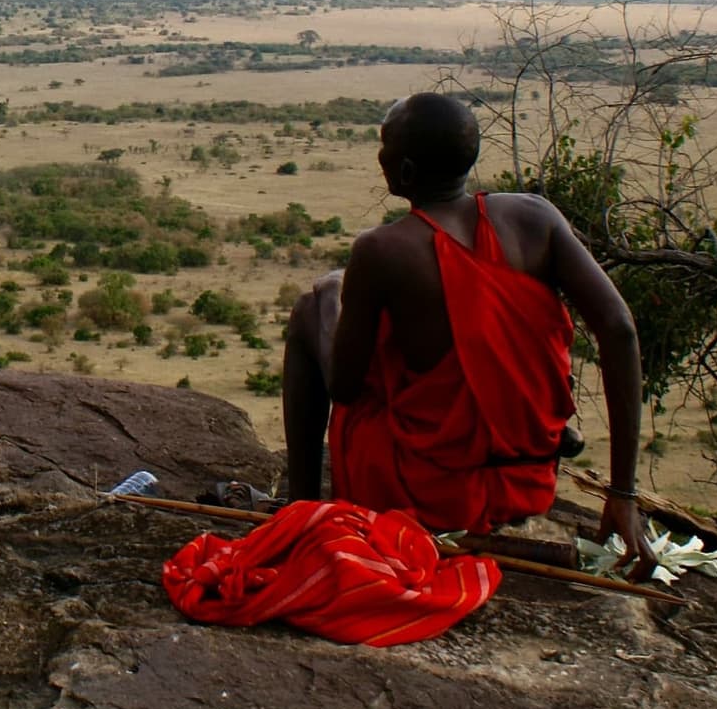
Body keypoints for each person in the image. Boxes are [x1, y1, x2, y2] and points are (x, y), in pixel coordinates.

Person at [279, 93, 657, 574]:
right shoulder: (536, 216)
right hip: (527, 484)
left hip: (428, 495)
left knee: (311, 307)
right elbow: (619, 329)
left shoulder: (382, 249)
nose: (379, 154)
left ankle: (301, 513)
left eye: (385, 144)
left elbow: (345, 387)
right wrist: (622, 493)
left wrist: (331, 303)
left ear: (405, 170)